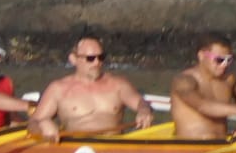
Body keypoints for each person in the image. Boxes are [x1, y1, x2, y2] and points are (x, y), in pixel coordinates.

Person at [27, 37, 156, 140]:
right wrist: (42, 127)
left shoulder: (118, 84)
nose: (97, 63)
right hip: (76, 151)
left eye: (101, 57)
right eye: (90, 58)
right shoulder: (58, 89)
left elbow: (140, 102)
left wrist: (144, 111)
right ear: (73, 59)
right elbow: (33, 123)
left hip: (111, 148)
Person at [169, 34, 236, 141]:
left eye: (228, 60)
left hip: (222, 144)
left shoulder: (230, 80)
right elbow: (202, 106)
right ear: (201, 56)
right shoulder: (183, 81)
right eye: (219, 60)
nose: (224, 65)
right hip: (190, 145)